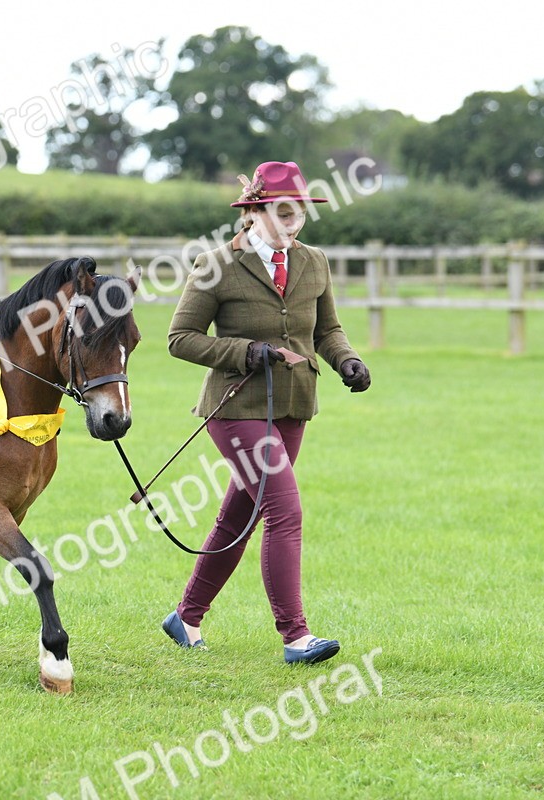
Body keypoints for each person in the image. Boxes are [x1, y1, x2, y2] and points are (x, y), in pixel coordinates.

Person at [160, 161, 371, 664]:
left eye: (299, 211)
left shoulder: (314, 261)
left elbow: (326, 330)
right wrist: (243, 352)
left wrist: (347, 360)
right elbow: (179, 339)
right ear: (254, 210)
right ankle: (296, 637)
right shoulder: (216, 264)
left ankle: (186, 617)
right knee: (284, 510)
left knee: (241, 514)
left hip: (294, 404)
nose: (293, 221)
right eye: (283, 211)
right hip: (237, 408)